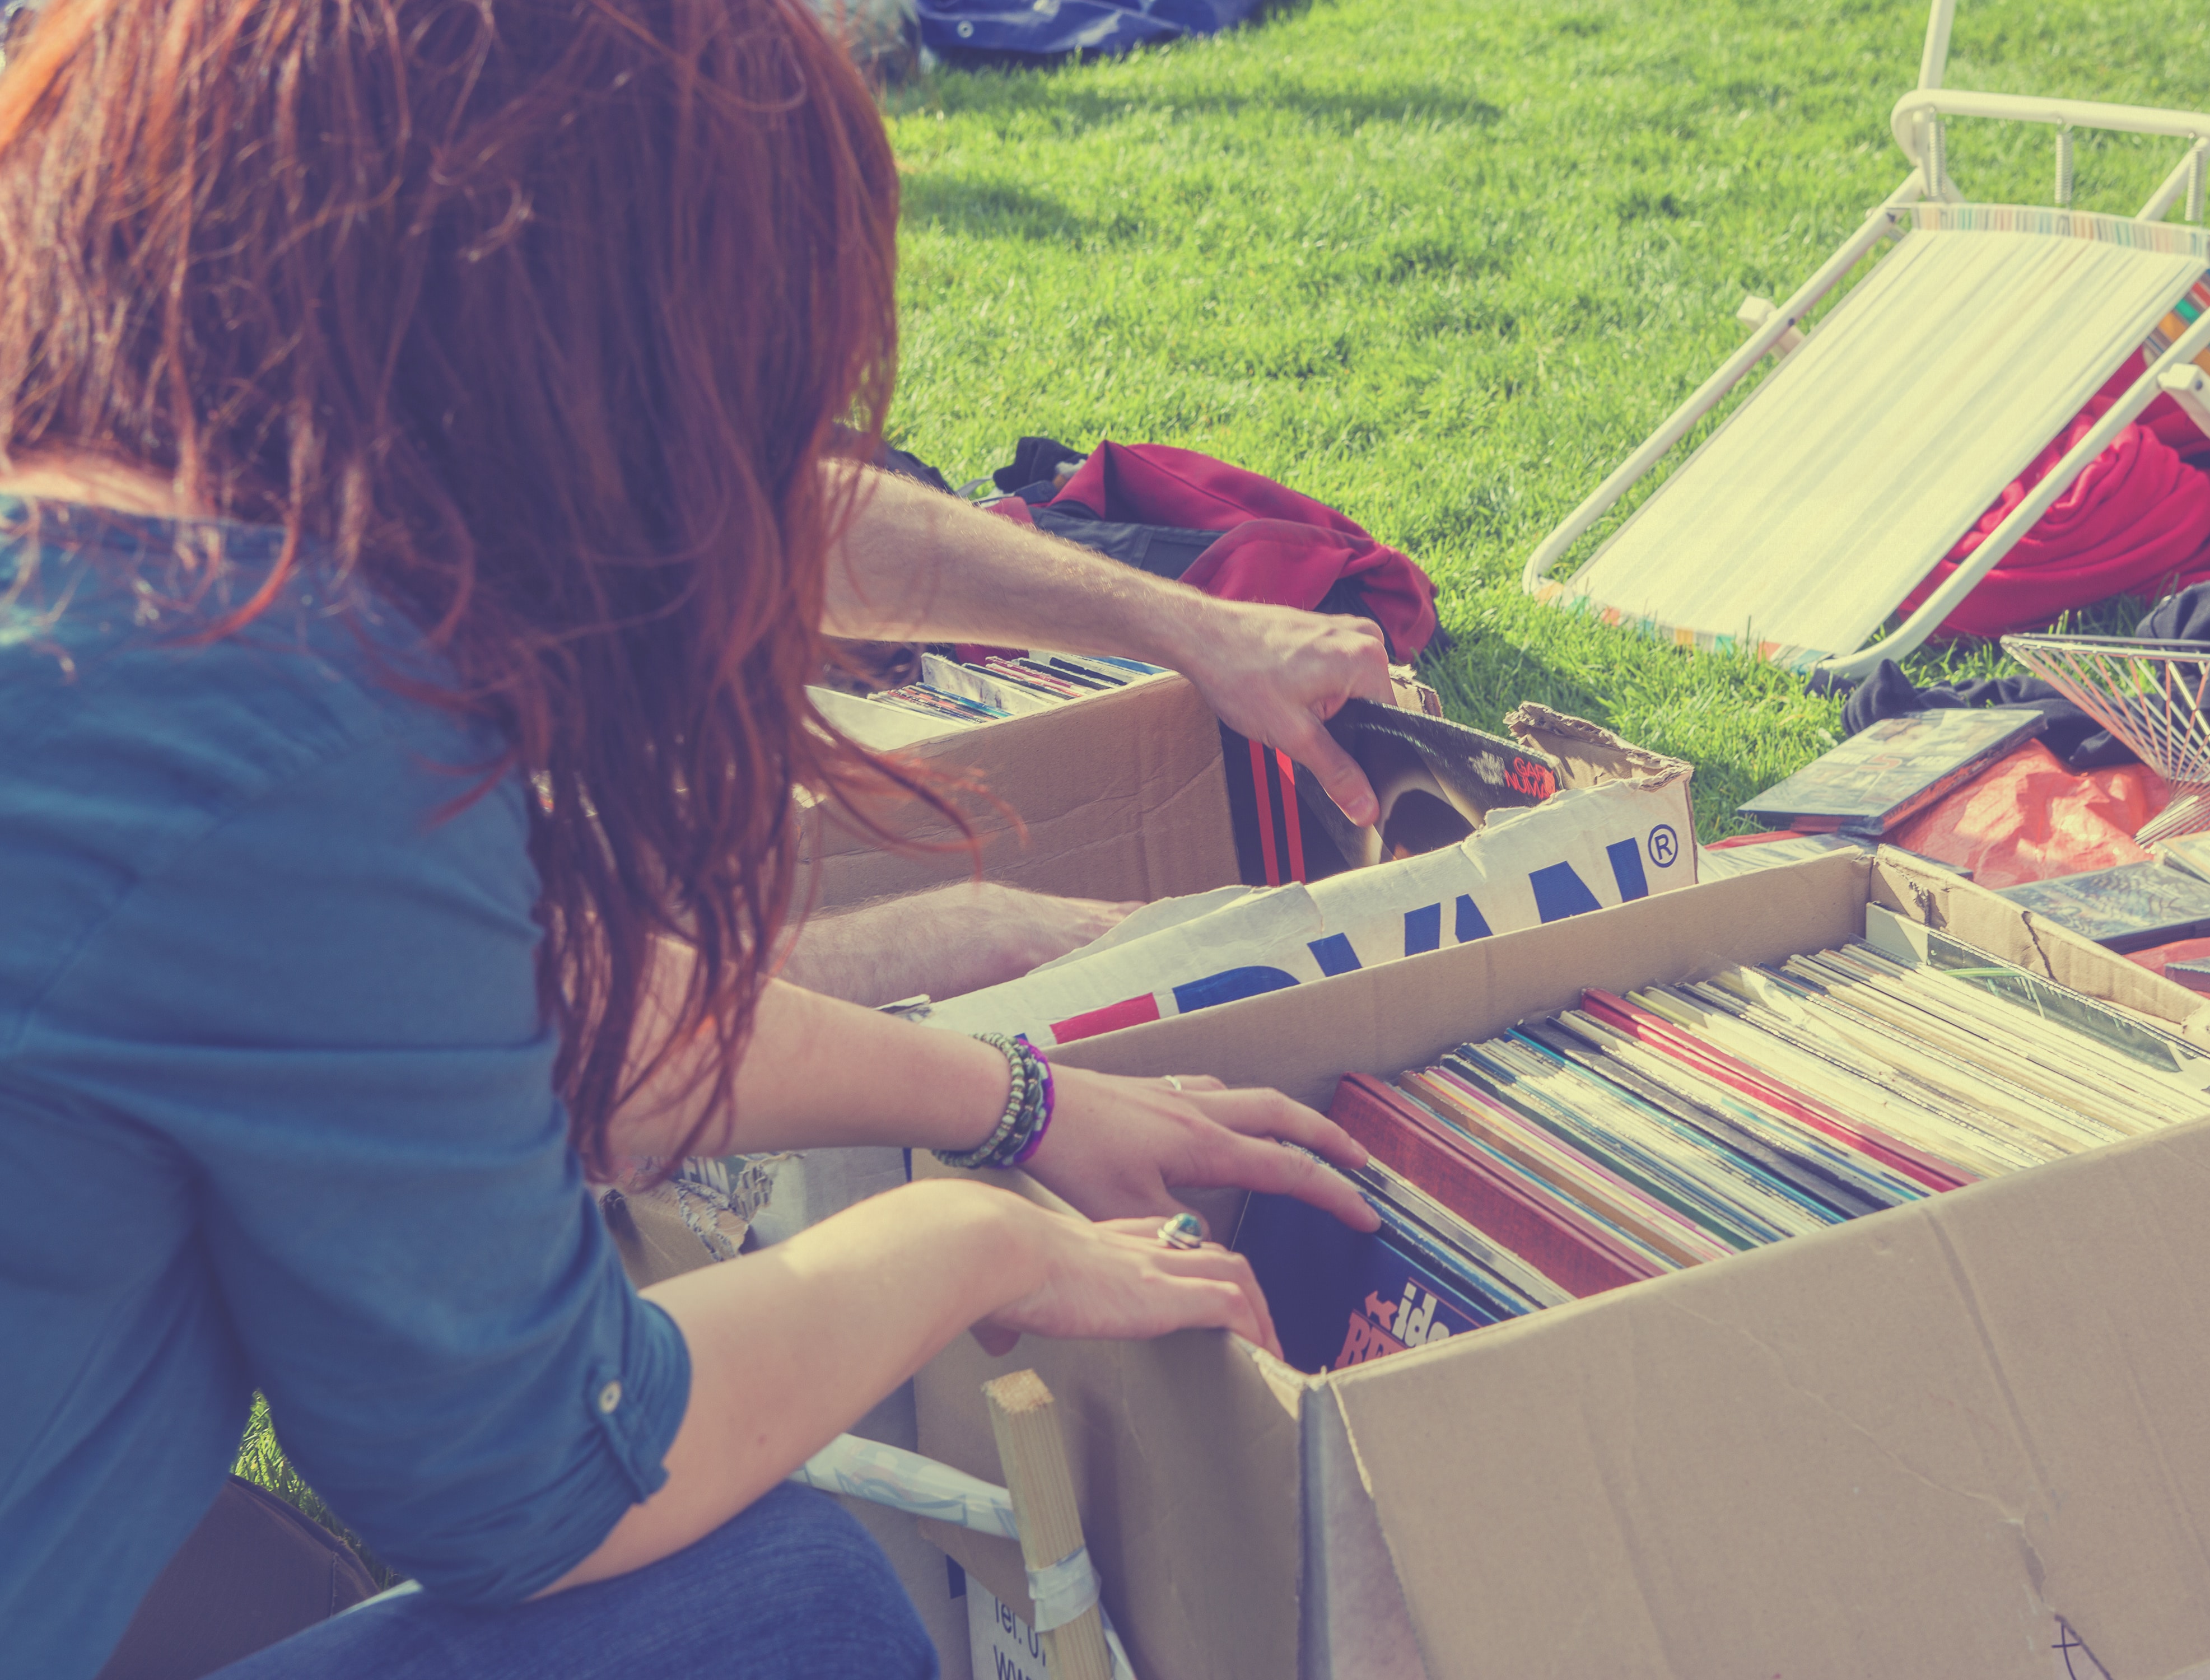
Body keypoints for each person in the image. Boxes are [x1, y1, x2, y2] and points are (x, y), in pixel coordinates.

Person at [0, 3, 1394, 1677]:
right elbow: (542, 1483)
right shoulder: (278, 710)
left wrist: (1009, 1092)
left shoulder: (106, 552)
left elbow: (492, 1029)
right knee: (777, 1610)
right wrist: (974, 1233)